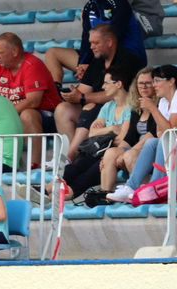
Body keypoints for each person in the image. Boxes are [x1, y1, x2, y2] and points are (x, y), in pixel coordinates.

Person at [19, 66, 132, 205]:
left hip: (116, 155)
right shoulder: (108, 106)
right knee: (75, 167)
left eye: (106, 83)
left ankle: (50, 197)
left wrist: (104, 132)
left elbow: (124, 138)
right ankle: (44, 190)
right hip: (101, 151)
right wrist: (112, 129)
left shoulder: (131, 108)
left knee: (88, 175)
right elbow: (92, 132)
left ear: (119, 84)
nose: (103, 86)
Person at [108, 65, 177, 202]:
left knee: (166, 142)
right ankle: (131, 186)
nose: (154, 85)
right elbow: (160, 133)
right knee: (152, 142)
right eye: (153, 81)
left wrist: (153, 109)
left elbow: (169, 130)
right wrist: (170, 133)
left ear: (171, 81)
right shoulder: (163, 101)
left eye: (157, 80)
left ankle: (154, 187)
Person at [45, 0, 146, 88]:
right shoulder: (90, 6)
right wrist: (82, 64)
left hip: (122, 59)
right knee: (52, 53)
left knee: (82, 93)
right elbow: (86, 39)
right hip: (98, 57)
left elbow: (114, 38)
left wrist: (91, 65)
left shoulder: (119, 2)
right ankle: (56, 90)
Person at [54, 24, 144, 162]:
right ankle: (74, 156)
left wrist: (83, 97)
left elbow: (121, 95)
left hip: (121, 111)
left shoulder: (129, 60)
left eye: (96, 43)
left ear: (109, 42)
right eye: (91, 43)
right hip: (102, 114)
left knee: (89, 107)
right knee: (63, 109)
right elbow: (83, 91)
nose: (91, 47)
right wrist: (73, 95)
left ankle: (68, 158)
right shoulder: (96, 62)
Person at [0, 32, 62, 164]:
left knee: (27, 114)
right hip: (14, 116)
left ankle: (34, 165)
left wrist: (4, 115)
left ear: (15, 51)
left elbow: (33, 102)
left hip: (49, 116)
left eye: (0, 53)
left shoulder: (32, 65)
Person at [99, 67, 157, 191]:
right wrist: (111, 155)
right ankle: (105, 195)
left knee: (130, 155)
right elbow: (129, 137)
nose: (144, 87)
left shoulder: (160, 105)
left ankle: (144, 194)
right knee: (110, 153)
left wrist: (127, 152)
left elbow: (153, 134)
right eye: (140, 83)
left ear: (155, 84)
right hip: (138, 148)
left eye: (148, 83)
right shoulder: (136, 107)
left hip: (153, 149)